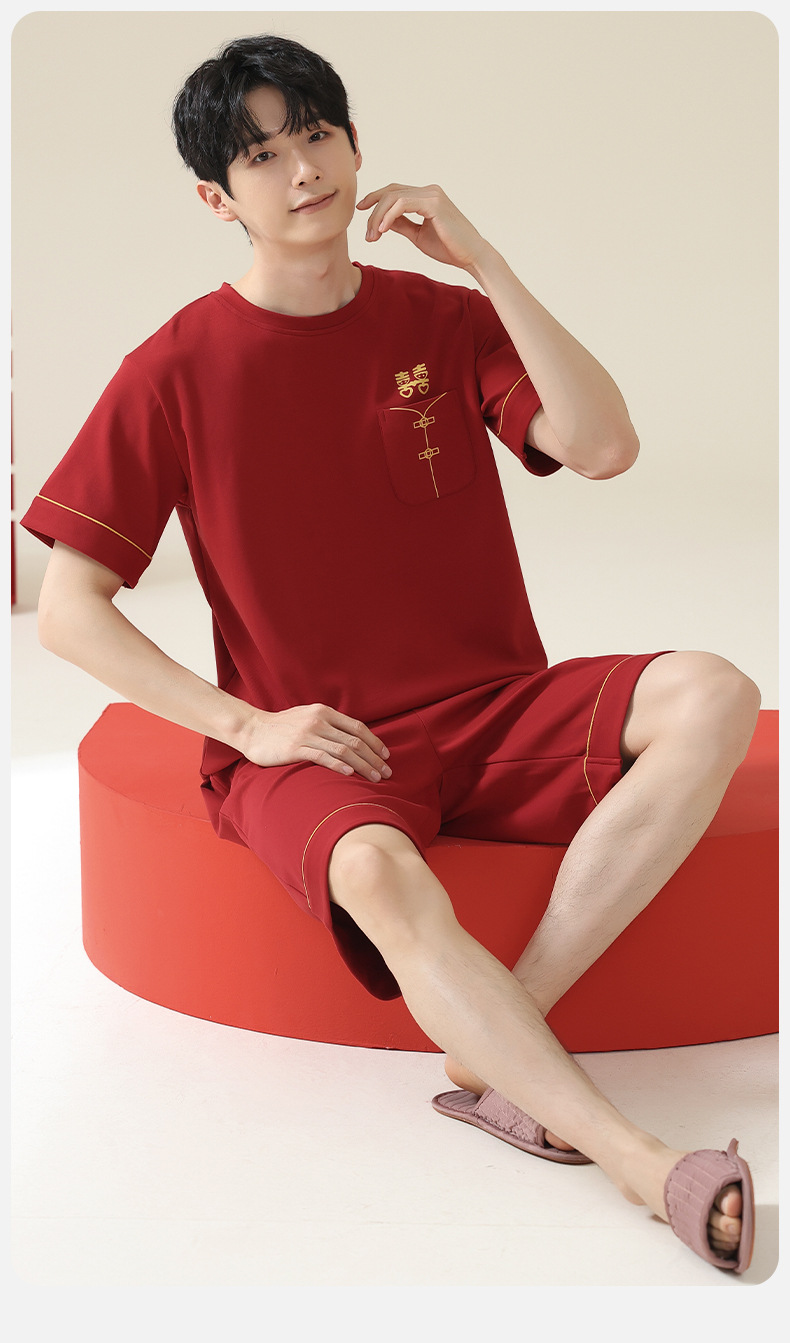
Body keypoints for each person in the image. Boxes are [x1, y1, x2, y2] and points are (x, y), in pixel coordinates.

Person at [21, 34, 760, 1273]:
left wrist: (485, 261)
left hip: (493, 705)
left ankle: (494, 1037)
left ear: (356, 145)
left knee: (715, 690)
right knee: (374, 867)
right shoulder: (172, 371)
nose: (302, 169)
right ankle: (643, 1161)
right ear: (216, 198)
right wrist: (248, 726)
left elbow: (603, 446)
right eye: (262, 155)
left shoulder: (441, 318)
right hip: (316, 745)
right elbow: (67, 606)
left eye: (316, 135)